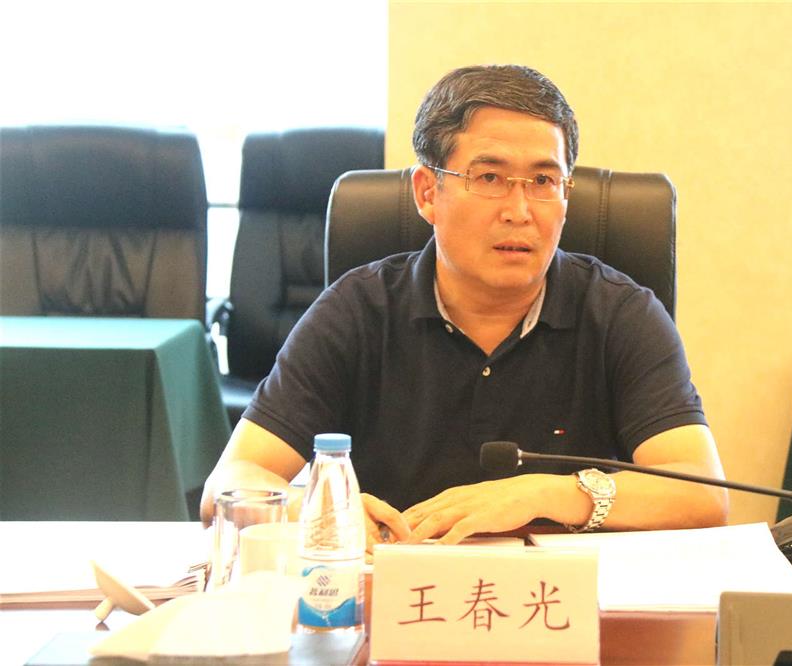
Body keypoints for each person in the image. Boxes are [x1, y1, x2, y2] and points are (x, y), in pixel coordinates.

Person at [201, 64, 728, 551]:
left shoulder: (620, 314)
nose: (520, 211)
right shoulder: (356, 311)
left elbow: (703, 494)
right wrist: (320, 508)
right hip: (398, 595)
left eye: (543, 181)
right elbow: (227, 485)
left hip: (562, 604)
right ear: (427, 193)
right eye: (490, 178)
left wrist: (544, 493)